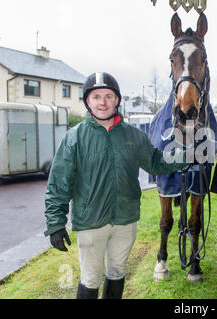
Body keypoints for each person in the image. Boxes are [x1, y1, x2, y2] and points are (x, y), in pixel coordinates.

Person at [44, 72, 187, 299]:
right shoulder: (74, 138)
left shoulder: (133, 135)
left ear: (117, 100)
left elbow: (156, 162)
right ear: (87, 101)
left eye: (109, 96)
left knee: (117, 272)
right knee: (90, 279)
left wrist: (187, 155)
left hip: (125, 222)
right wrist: (55, 224)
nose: (103, 102)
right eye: (96, 96)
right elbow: (58, 184)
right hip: (91, 223)